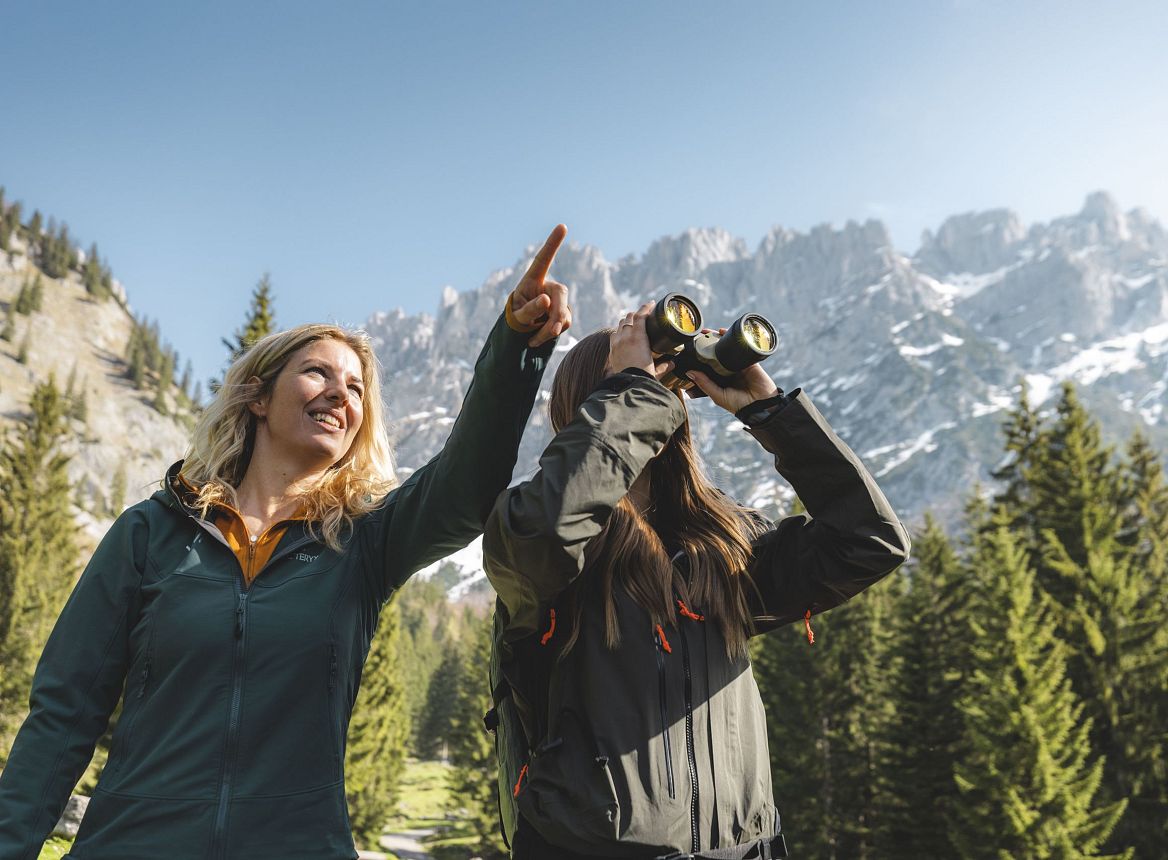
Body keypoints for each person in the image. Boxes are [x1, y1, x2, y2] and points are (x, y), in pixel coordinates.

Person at [0, 225, 573, 859]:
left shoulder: (364, 543)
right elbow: (62, 716)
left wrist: (517, 344)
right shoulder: (149, 533)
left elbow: (465, 487)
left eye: (356, 388)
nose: (340, 393)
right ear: (257, 398)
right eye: (317, 373)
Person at [483, 302, 911, 860]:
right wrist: (634, 384)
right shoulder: (538, 539)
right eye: (637, 384)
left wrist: (770, 411)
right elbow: (552, 526)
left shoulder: (723, 546)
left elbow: (870, 542)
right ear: (598, 400)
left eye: (664, 386)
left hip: (748, 847)